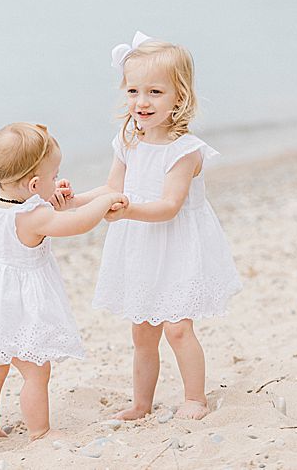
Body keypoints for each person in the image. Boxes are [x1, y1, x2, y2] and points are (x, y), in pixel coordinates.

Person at [74, 31, 243, 421]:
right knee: (142, 332)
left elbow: (169, 206)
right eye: (133, 91)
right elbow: (111, 188)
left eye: (155, 92)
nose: (142, 102)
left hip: (179, 244)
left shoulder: (185, 151)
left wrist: (128, 211)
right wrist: (76, 201)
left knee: (178, 328)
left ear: (179, 97)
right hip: (141, 246)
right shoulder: (128, 142)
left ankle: (195, 399)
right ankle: (141, 403)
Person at [0, 123, 128, 441]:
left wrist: (49, 194)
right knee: (36, 370)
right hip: (18, 306)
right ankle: (40, 431)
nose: (57, 179)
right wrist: (104, 200)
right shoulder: (34, 217)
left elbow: (30, 199)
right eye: (54, 176)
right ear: (33, 185)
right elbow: (77, 223)